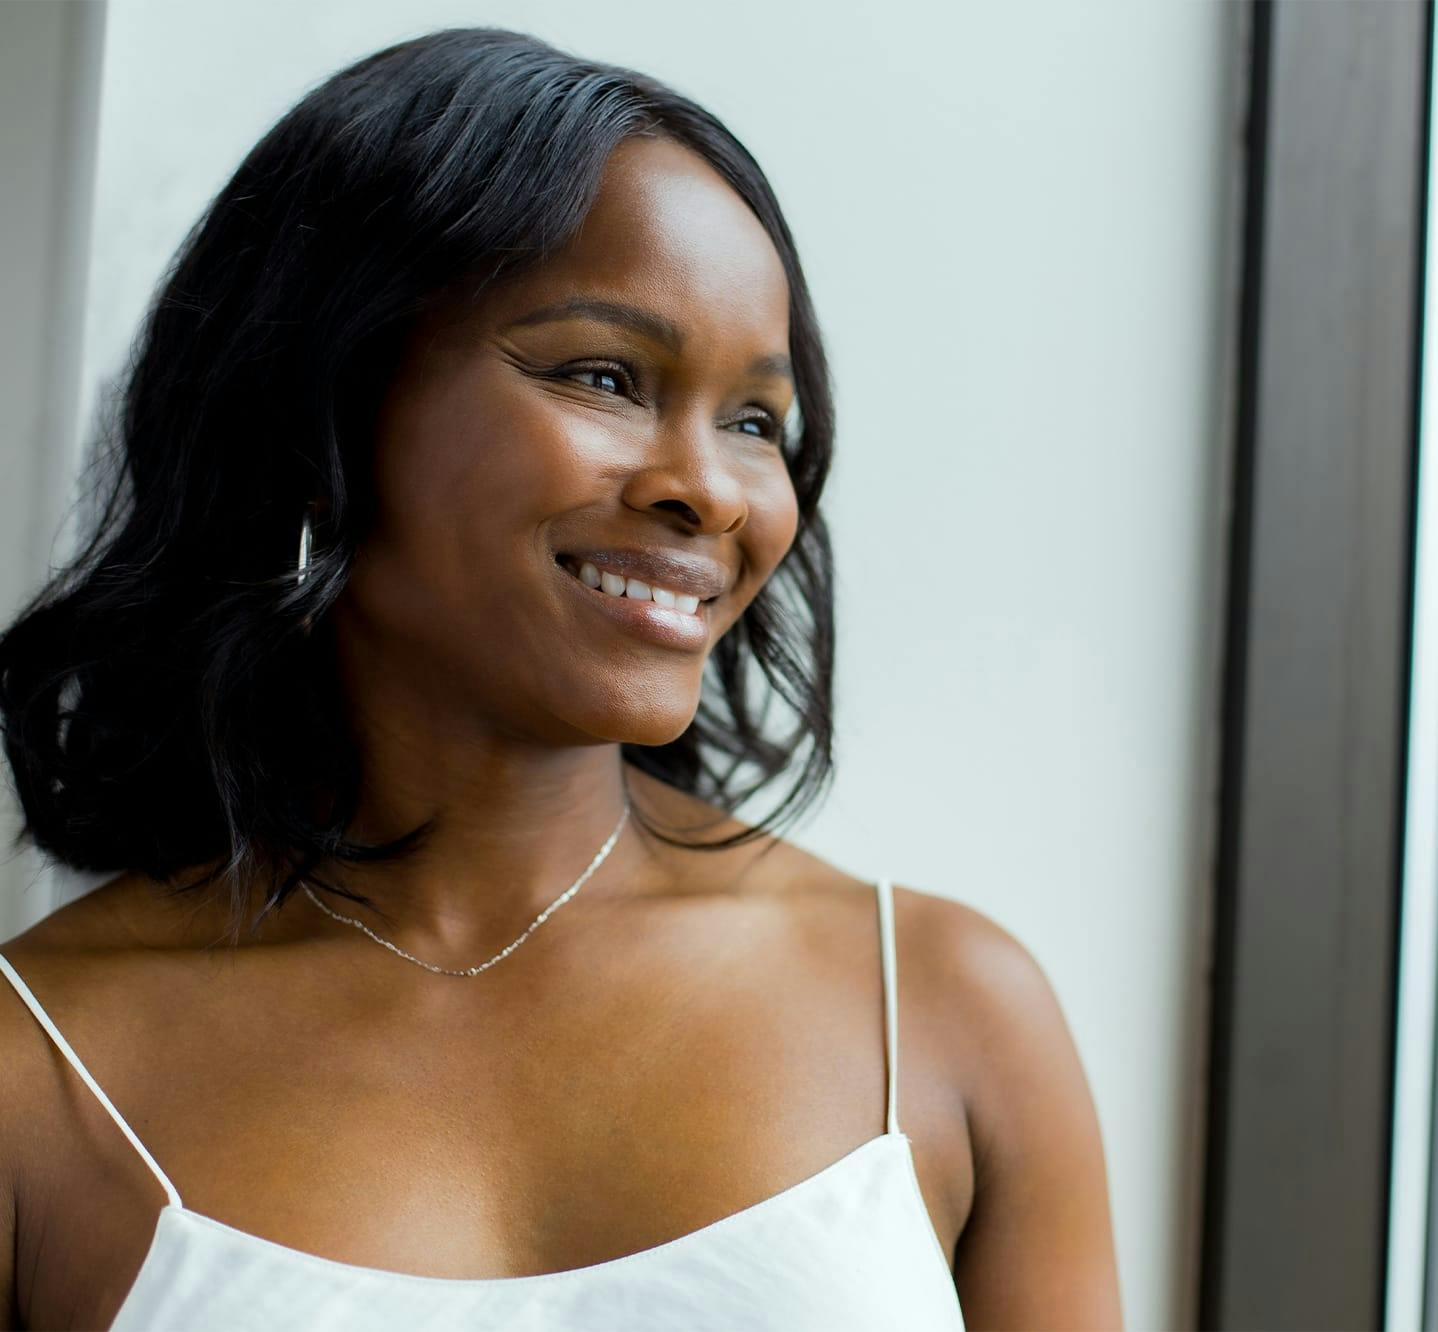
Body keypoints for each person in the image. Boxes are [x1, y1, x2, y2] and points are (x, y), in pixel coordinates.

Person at [0, 26, 1122, 1331]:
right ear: (315, 414)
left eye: (755, 420)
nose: (706, 489)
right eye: (603, 376)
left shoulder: (943, 1006)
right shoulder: (40, 1070)